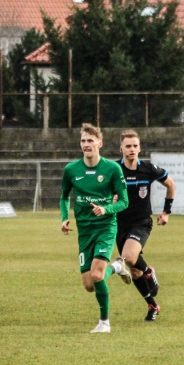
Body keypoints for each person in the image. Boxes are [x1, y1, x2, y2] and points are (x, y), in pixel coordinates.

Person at [60, 123, 132, 333]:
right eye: (83, 141)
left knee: (97, 276)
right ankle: (117, 267)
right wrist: (64, 218)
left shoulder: (112, 169)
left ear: (100, 143)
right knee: (89, 285)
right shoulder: (71, 170)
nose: (86, 145)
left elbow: (124, 201)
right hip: (84, 231)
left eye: (90, 141)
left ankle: (104, 323)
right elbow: (64, 196)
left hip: (105, 228)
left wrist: (106, 208)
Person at [116, 130, 176, 322]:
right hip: (119, 225)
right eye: (128, 146)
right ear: (121, 149)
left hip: (141, 223)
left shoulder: (148, 169)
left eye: (135, 146)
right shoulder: (114, 170)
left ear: (139, 148)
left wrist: (166, 212)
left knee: (129, 257)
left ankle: (149, 272)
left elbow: (171, 185)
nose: (132, 149)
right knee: (134, 270)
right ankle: (152, 305)